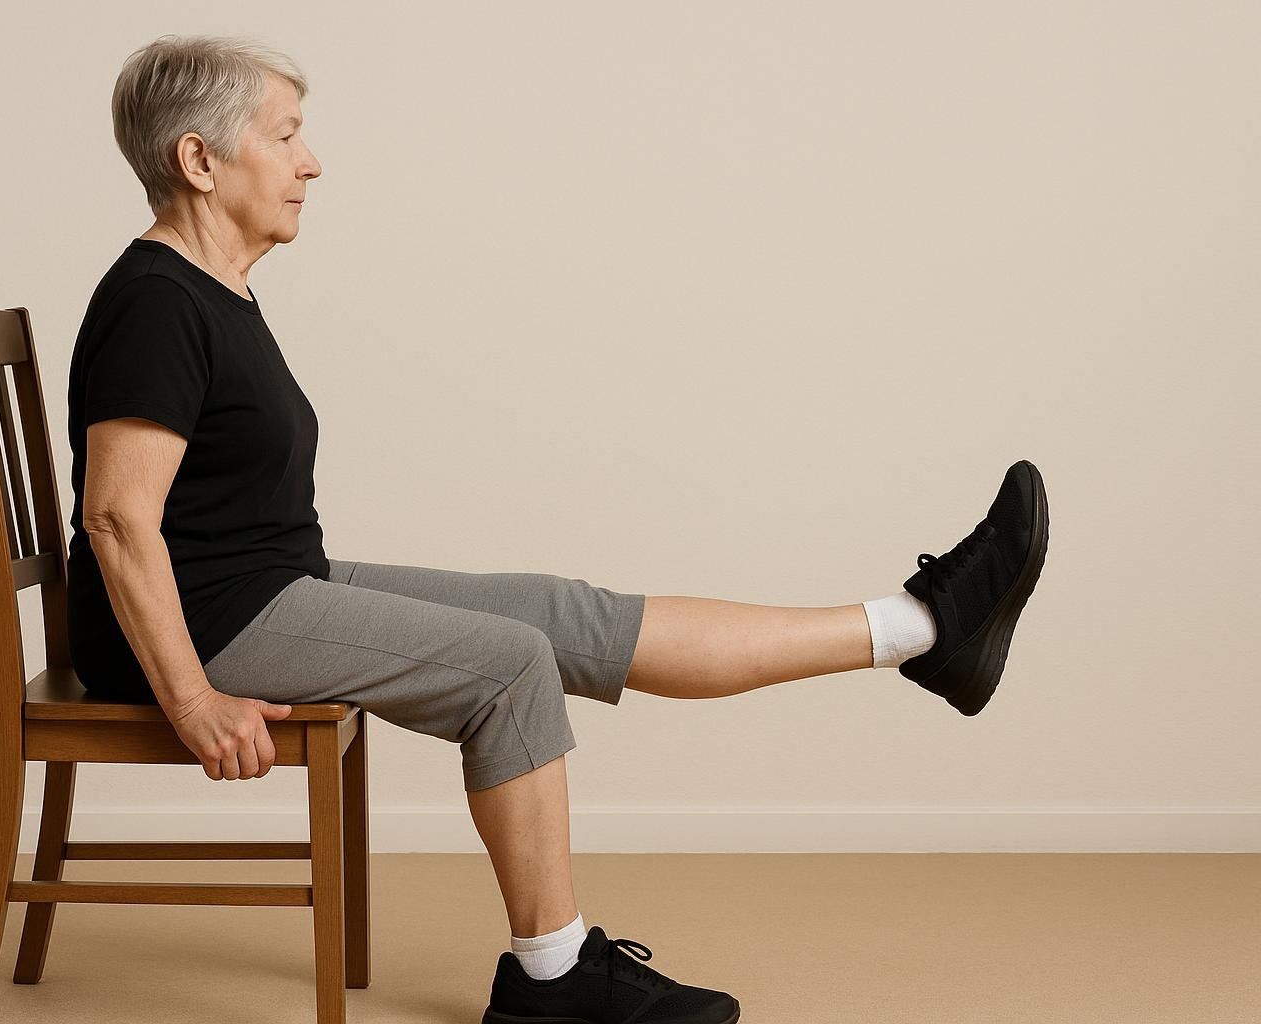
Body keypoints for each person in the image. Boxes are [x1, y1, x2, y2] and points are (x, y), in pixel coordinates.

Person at [63, 33, 1050, 1024]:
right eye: (285, 136)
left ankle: (921, 628)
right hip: (209, 622)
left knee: (561, 616)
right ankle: (551, 976)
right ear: (199, 160)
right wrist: (190, 699)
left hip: (258, 589)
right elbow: (116, 516)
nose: (311, 160)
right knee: (510, 663)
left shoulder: (211, 291)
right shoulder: (156, 302)